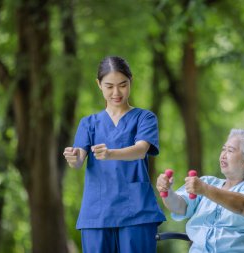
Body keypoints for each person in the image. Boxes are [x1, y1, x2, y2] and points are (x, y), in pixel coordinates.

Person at [63, 56, 166, 253]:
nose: (116, 92)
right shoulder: (88, 123)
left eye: (122, 85)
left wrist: (110, 153)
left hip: (136, 210)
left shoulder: (145, 118)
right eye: (109, 86)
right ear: (99, 85)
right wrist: (74, 158)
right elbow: (78, 161)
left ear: (131, 82)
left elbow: (141, 150)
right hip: (97, 212)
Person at [156, 129, 244, 253]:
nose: (223, 155)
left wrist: (205, 189)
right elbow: (180, 207)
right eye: (223, 149)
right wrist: (167, 191)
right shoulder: (208, 182)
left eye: (230, 150)